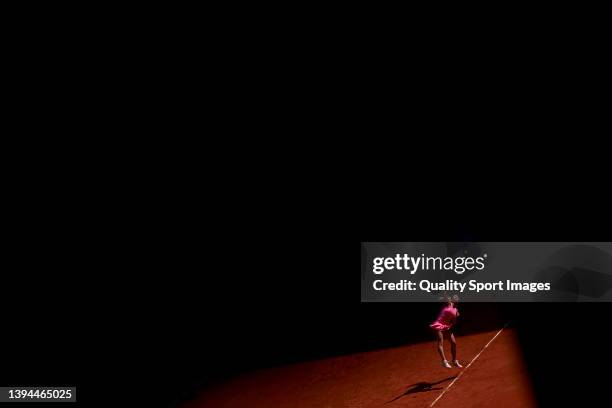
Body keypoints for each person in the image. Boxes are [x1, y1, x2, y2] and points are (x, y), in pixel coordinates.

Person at [430, 295, 463, 368]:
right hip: (438, 325)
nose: (456, 299)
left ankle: (454, 361)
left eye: (457, 299)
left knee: (453, 343)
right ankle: (444, 361)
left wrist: (450, 324)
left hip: (446, 327)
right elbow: (443, 296)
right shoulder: (447, 303)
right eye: (455, 298)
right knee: (440, 343)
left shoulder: (456, 310)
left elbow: (454, 322)